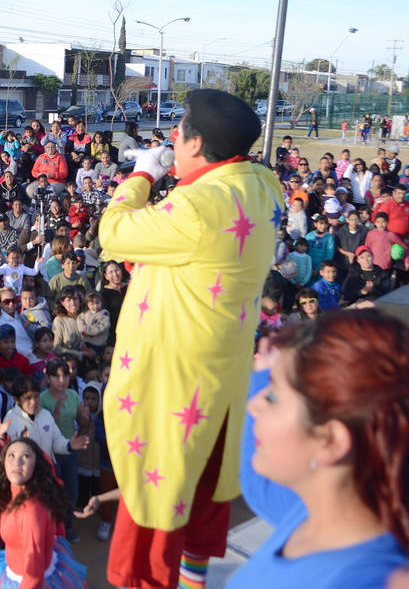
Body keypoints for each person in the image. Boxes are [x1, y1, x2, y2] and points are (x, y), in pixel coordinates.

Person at [97, 88, 282, 588]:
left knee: (155, 518)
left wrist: (142, 175)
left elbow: (113, 232)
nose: (172, 140)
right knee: (201, 505)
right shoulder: (263, 187)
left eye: (178, 133)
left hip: (173, 392)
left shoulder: (198, 205)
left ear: (196, 144)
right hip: (219, 382)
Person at [232, 309, 409, 588]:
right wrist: (267, 374)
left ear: (331, 441)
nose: (253, 405)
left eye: (272, 397)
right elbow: (258, 486)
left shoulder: (367, 580)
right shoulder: (324, 508)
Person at [0, 437, 87, 588]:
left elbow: (34, 576)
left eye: (25, 456)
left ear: (36, 465)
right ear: (3, 462)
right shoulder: (25, 492)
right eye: (11, 455)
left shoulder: (30, 512)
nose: (17, 462)